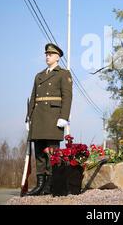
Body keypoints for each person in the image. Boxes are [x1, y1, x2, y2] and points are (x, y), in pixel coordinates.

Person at [25, 43, 73, 196]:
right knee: (39, 151)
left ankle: (51, 184)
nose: (47, 56)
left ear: (58, 57)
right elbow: (33, 97)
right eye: (46, 54)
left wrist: (64, 117)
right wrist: (28, 117)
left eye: (50, 54)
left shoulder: (64, 74)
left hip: (53, 117)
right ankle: (40, 185)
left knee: (52, 152)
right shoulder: (39, 75)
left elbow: (67, 97)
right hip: (38, 118)